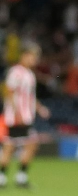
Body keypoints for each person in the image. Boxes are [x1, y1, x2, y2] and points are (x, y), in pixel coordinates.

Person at [1, 42, 49, 188]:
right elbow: (9, 92)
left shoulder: (29, 74)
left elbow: (30, 96)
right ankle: (12, 177)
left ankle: (14, 177)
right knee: (12, 146)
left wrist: (39, 108)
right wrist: (17, 113)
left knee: (22, 145)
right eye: (33, 56)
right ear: (24, 55)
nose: (35, 60)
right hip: (17, 117)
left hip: (26, 116)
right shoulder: (15, 72)